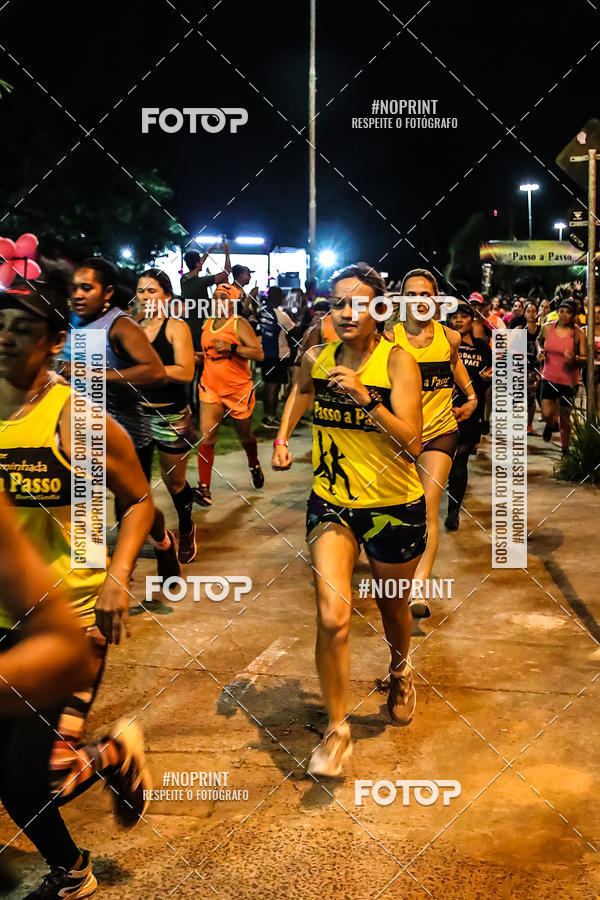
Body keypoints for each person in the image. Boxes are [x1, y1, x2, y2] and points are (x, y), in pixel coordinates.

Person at [0, 275, 155, 898]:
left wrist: (119, 579)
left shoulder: (77, 418)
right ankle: (81, 841)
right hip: (6, 610)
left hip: (72, 613)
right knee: (17, 770)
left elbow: (140, 500)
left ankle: (77, 856)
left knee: (19, 776)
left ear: (56, 341)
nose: (7, 341)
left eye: (23, 331)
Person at [272, 263, 426, 777]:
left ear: (380, 309)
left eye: (359, 303)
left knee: (392, 610)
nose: (347, 312)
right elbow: (302, 390)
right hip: (331, 502)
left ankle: (400, 668)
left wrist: (366, 398)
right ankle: (337, 732)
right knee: (333, 616)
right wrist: (281, 437)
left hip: (392, 506)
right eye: (338, 303)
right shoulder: (317, 356)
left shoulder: (398, 362)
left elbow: (412, 443)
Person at [66, 257, 181, 580]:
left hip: (127, 434)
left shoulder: (121, 325)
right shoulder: (73, 323)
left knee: (131, 507)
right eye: (74, 287)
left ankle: (162, 542)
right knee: (83, 504)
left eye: (87, 288)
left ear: (107, 293)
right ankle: (100, 586)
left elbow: (155, 372)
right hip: (82, 433)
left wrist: (95, 375)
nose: (78, 294)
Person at [386, 269, 476, 618]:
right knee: (395, 510)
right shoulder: (389, 339)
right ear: (401, 300)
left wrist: (470, 397)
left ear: (436, 301)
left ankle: (418, 590)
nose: (419, 301)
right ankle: (394, 570)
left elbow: (454, 366)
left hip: (440, 431)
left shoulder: (449, 337)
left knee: (428, 508)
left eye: (426, 295)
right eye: (412, 294)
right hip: (400, 435)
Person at [137, 269, 198, 563]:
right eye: (141, 291)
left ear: (167, 296)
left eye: (152, 291)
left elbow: (185, 371)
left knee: (174, 483)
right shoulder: (131, 328)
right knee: (134, 485)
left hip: (171, 417)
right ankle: (155, 537)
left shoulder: (176, 328)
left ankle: (186, 528)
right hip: (135, 417)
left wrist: (143, 373)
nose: (145, 297)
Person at [195, 283, 265, 505]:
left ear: (233, 302)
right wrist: (200, 356)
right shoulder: (208, 324)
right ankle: (204, 488)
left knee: (245, 436)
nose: (218, 301)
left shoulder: (239, 324)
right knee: (207, 436)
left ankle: (253, 463)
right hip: (210, 387)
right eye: (215, 297)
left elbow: (258, 354)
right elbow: (209, 354)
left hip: (238, 389)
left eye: (223, 298)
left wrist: (232, 348)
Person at [444, 304, 492, 530]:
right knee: (444, 459)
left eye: (463, 316)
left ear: (472, 320)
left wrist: (486, 377)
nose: (458, 321)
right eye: (454, 317)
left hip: (471, 410)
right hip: (442, 409)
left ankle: (453, 510)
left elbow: (492, 375)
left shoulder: (482, 347)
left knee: (460, 460)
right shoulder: (443, 344)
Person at [538, 298, 586, 453]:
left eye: (568, 312)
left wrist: (575, 359)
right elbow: (539, 341)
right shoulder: (547, 328)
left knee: (565, 417)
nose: (564, 315)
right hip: (548, 378)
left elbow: (585, 360)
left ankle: (565, 448)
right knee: (546, 414)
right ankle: (551, 424)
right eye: (561, 311)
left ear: (574, 315)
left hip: (569, 381)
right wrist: (540, 350)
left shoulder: (579, 333)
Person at [259, 286, 295, 428]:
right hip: (279, 354)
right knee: (274, 387)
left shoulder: (262, 312)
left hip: (265, 354)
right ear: (279, 298)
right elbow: (293, 330)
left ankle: (267, 416)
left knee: (268, 386)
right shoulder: (281, 315)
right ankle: (271, 418)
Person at [523, 302, 541, 434]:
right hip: (521, 368)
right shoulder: (520, 330)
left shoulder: (542, 330)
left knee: (532, 396)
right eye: (528, 311)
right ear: (524, 314)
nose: (531, 314)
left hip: (536, 368)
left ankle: (529, 425)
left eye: (533, 311)